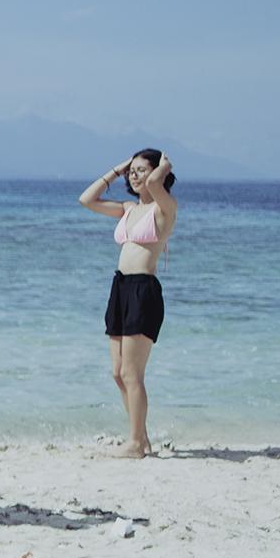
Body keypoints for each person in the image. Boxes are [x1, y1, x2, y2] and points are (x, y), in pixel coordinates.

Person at [78, 149, 176, 458]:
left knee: (133, 374)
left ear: (157, 172)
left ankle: (135, 445)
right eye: (131, 171)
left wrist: (162, 167)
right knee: (118, 373)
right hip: (120, 288)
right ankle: (140, 437)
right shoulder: (127, 208)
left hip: (143, 290)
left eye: (141, 170)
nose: (134, 175)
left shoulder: (164, 208)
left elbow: (158, 185)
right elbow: (87, 199)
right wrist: (117, 170)